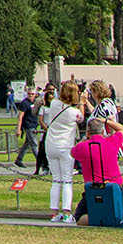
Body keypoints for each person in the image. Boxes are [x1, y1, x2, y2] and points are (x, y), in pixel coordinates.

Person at [41, 79, 83, 225]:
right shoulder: (74, 113)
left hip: (51, 145)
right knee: (67, 180)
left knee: (56, 180)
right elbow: (81, 118)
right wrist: (82, 102)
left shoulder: (54, 104)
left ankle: (54, 212)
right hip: (65, 147)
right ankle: (66, 212)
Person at [72, 114, 123, 218]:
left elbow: (72, 152)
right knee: (115, 213)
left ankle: (97, 219)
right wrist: (106, 121)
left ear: (88, 133)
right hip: (114, 186)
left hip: (93, 188)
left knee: (79, 217)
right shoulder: (112, 141)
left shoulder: (83, 147)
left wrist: (84, 139)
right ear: (102, 132)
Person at [13, 86, 39, 167]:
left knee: (27, 143)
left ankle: (18, 160)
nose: (30, 95)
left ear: (35, 94)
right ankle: (40, 161)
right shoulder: (24, 103)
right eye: (29, 94)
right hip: (28, 125)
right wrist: (18, 129)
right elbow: (20, 116)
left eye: (32, 94)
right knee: (34, 144)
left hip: (34, 125)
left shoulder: (35, 102)